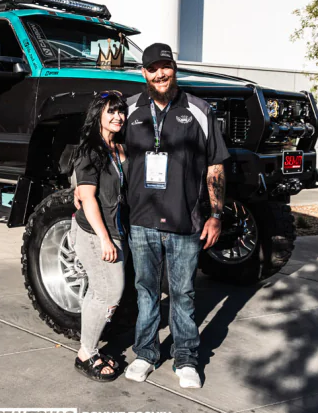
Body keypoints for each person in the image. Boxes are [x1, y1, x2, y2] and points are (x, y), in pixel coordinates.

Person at [77, 43, 229, 388]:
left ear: (174, 68)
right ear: (143, 73)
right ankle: (146, 353)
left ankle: (187, 357)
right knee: (145, 291)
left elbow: (215, 166)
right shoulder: (129, 109)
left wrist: (216, 213)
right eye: (152, 68)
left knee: (183, 293)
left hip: (184, 222)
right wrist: (79, 184)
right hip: (141, 221)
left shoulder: (200, 110)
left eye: (166, 66)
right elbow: (100, 144)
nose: (160, 74)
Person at [70, 90, 130, 382]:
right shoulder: (92, 149)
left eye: (121, 111)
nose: (118, 117)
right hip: (96, 232)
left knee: (102, 291)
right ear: (98, 116)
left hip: (116, 229)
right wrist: (105, 239)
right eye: (111, 111)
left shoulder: (119, 147)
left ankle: (90, 347)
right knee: (108, 292)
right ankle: (86, 354)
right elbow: (90, 198)